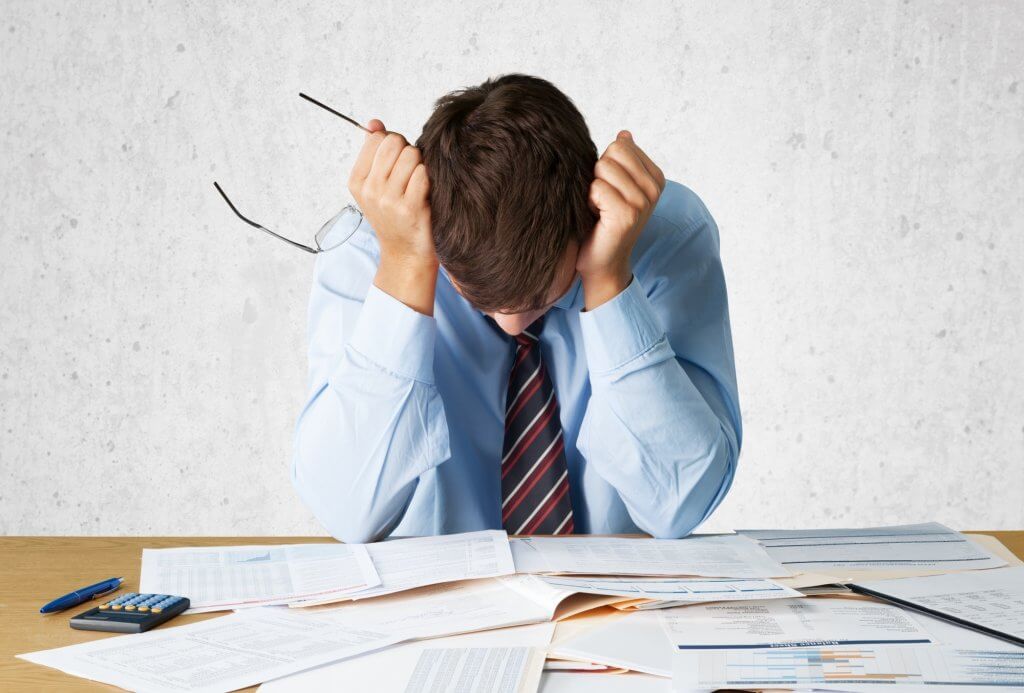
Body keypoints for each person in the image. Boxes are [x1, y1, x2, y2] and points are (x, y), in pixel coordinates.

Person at [291, 74, 741, 543]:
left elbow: (684, 504)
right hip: (438, 605)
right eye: (476, 296)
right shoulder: (369, 250)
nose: (513, 322)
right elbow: (345, 512)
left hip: (613, 605)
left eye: (542, 298)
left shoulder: (662, 235)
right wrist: (405, 269)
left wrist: (609, 280)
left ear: (587, 220)